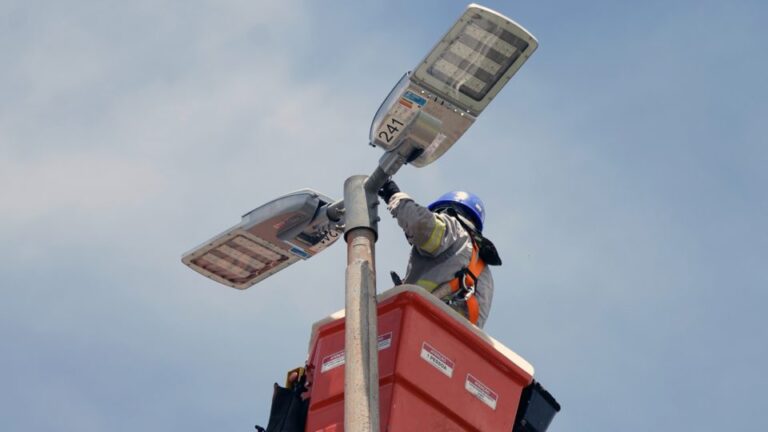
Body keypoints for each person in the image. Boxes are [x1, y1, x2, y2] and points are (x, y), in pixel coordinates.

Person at [378, 180, 501, 328]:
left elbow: (420, 225)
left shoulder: (455, 231)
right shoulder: (485, 274)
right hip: (450, 345)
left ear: (445, 210)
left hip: (419, 326)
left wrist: (394, 196)